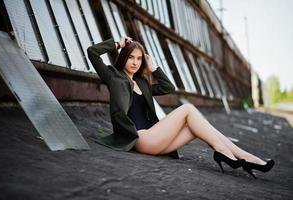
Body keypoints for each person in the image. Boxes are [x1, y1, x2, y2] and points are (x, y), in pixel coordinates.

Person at [87, 36, 274, 179]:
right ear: (123, 58)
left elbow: (168, 88)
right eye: (130, 58)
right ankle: (223, 152)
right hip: (140, 138)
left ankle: (247, 158)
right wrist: (118, 44)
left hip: (155, 139)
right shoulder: (114, 77)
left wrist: (153, 68)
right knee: (188, 110)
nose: (135, 62)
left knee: (194, 128)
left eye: (138, 59)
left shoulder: (142, 82)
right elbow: (92, 52)